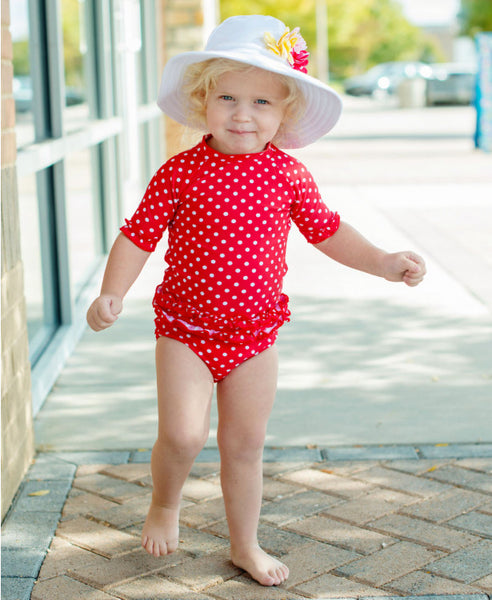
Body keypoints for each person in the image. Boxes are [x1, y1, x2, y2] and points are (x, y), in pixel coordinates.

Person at [86, 15, 426, 587]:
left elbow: (329, 231)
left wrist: (386, 263)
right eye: (228, 97)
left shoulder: (287, 175)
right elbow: (137, 235)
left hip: (255, 336)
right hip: (186, 330)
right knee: (184, 435)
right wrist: (111, 292)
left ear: (283, 113)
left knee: (244, 444)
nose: (243, 114)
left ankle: (244, 544)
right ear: (202, 100)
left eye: (262, 102)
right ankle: (165, 504)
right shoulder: (179, 173)